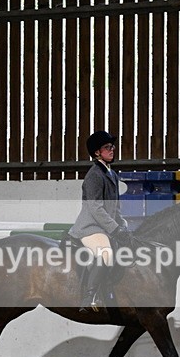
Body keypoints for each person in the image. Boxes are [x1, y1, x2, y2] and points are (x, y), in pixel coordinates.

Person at [69, 130, 133, 313]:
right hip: (90, 227)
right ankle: (89, 297)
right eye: (107, 147)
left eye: (112, 146)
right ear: (97, 152)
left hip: (105, 227)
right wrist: (114, 229)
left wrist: (123, 225)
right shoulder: (94, 175)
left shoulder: (111, 173)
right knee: (106, 253)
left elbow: (115, 207)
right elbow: (96, 208)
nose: (112, 150)